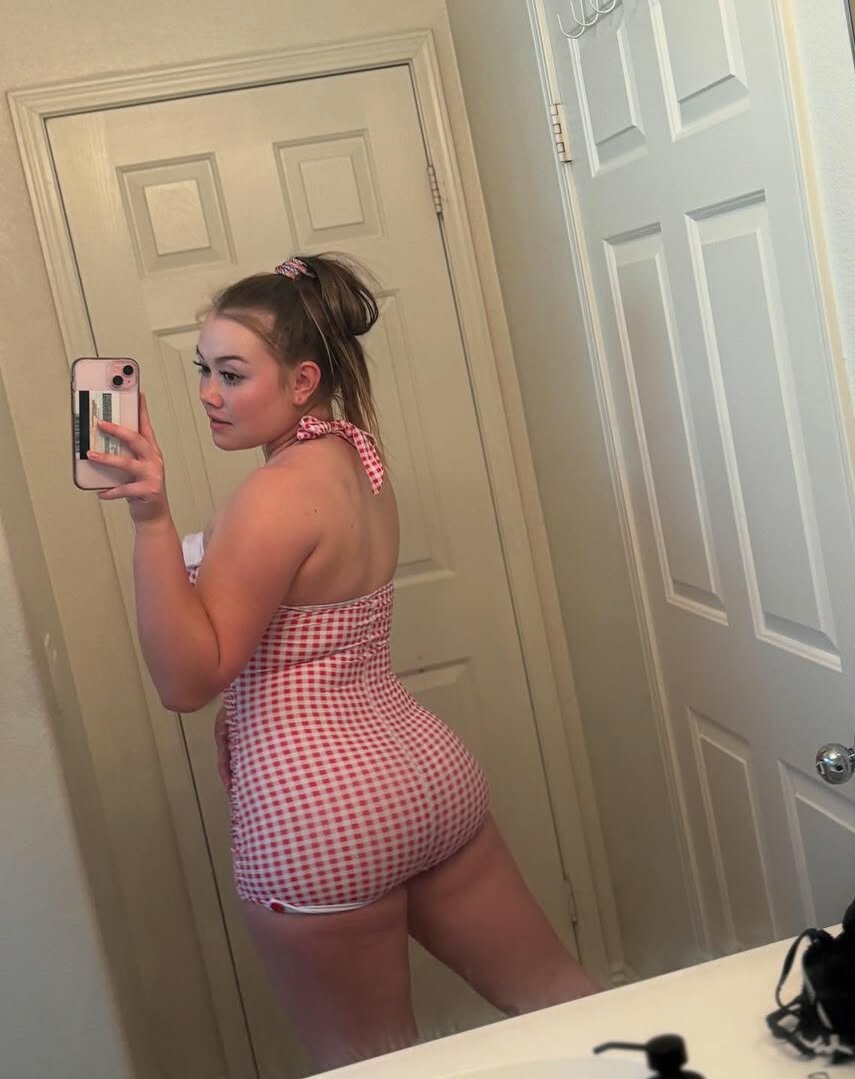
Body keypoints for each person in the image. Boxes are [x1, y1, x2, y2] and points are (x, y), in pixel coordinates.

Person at [89, 253, 600, 1068]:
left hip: (318, 809)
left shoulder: (275, 494)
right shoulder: (358, 458)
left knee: (370, 1063)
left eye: (231, 374)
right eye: (202, 371)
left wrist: (151, 519)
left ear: (302, 381)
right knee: (565, 1001)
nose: (208, 394)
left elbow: (187, 681)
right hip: (427, 777)